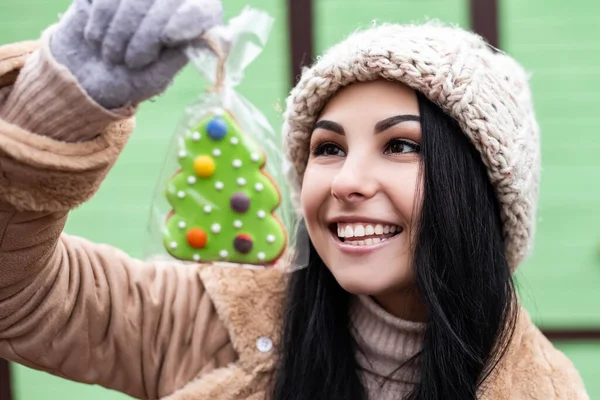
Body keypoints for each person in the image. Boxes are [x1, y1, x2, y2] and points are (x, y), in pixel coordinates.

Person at [0, 0, 589, 398]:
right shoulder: (211, 321)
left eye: (402, 145)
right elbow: (19, 298)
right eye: (328, 149)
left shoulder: (546, 389)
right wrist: (63, 101)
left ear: (480, 191)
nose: (346, 181)